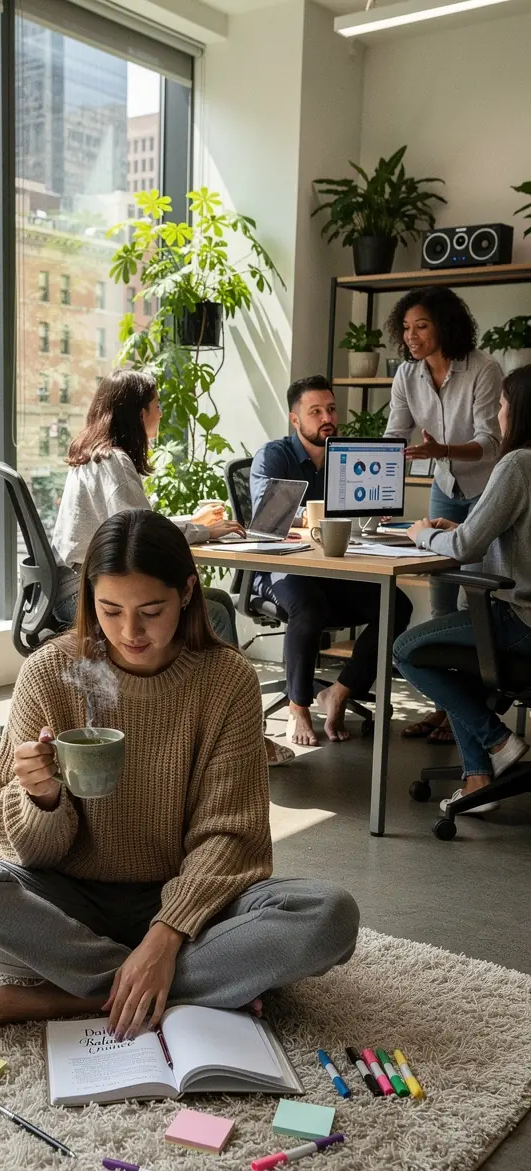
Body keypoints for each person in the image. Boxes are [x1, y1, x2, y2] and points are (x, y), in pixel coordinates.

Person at [0, 510, 359, 1038]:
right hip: (69, 903)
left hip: (190, 904)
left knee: (328, 916)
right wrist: (40, 797)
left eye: (151, 611)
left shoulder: (226, 681)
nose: (130, 632)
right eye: (109, 610)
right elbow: (29, 855)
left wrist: (166, 935)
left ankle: (70, 996)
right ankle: (174, 986)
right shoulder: (49, 672)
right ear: (89, 599)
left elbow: (232, 836)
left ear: (188, 593)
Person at [394, 364, 531, 816]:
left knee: (408, 649)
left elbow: (466, 546)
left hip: (518, 621)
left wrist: (420, 533)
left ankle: (498, 740)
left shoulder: (517, 464)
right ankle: (477, 777)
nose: (499, 414)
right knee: (452, 657)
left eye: (505, 405)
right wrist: (456, 527)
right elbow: (498, 536)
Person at [251, 376, 412, 746]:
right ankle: (298, 706)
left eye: (332, 408)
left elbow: (356, 518)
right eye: (316, 411)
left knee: (396, 605)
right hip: (281, 567)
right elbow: (267, 518)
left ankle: (340, 691)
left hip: (333, 568)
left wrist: (373, 510)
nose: (328, 417)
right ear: (296, 421)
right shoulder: (275, 455)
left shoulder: (345, 458)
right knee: (308, 605)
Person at [50, 369, 245, 648]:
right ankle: (215, 690)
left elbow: (138, 521)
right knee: (215, 615)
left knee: (221, 601)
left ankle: (205, 688)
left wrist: (194, 522)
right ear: (139, 414)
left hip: (73, 586)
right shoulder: (114, 461)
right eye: (157, 405)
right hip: (85, 593)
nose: (162, 413)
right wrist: (205, 531)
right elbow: (145, 534)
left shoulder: (94, 454)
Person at [383, 287, 502, 744]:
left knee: (477, 598)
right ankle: (445, 706)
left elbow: (491, 442)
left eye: (422, 326)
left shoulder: (483, 369)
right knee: (440, 600)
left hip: (487, 490)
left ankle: (468, 712)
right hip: (446, 488)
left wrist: (440, 450)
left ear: (445, 325)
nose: (411, 337)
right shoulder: (407, 376)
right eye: (407, 328)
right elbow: (395, 435)